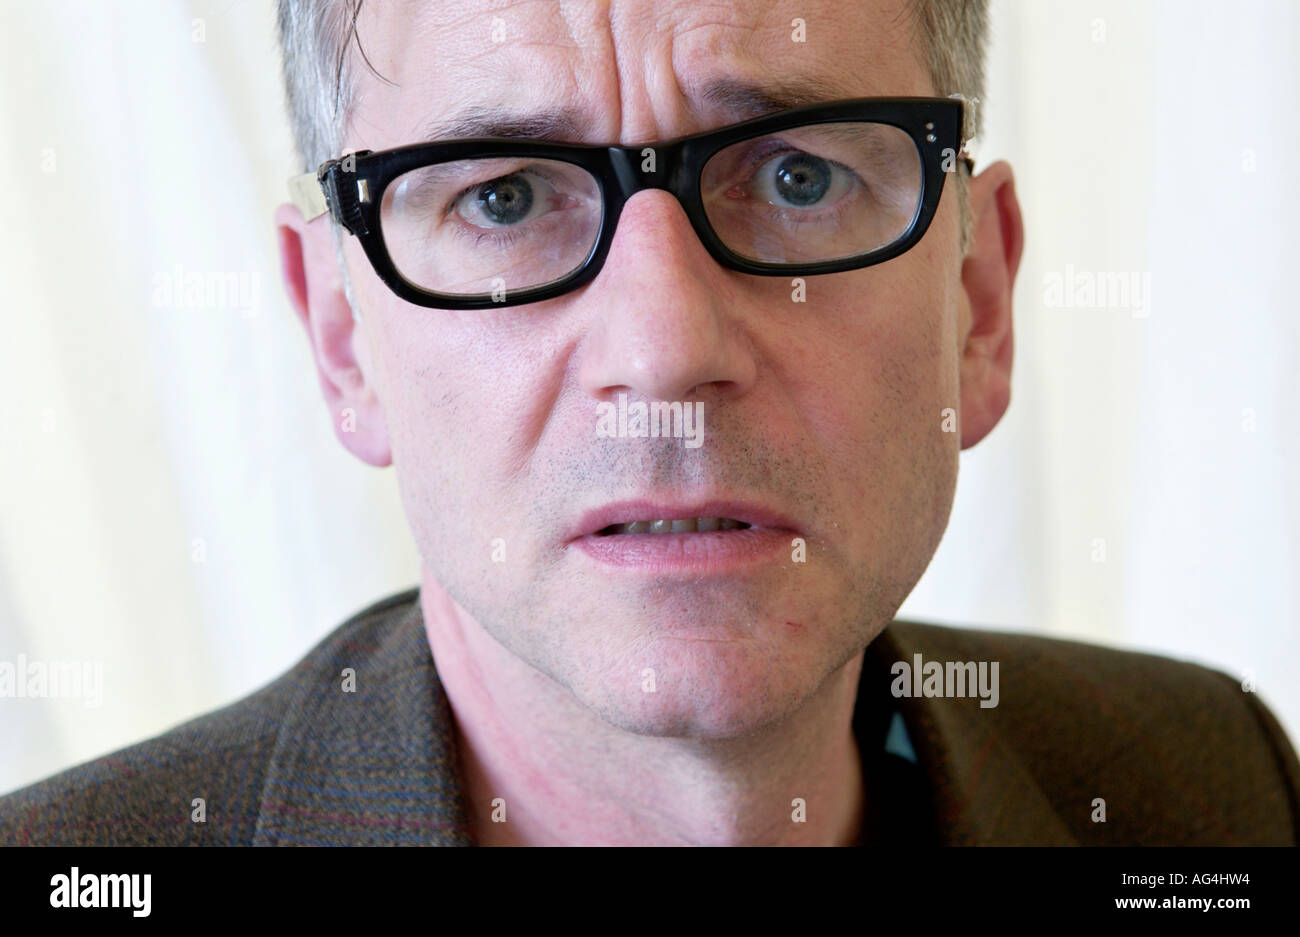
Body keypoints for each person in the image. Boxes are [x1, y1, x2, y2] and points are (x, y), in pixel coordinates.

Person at [1, 0, 1295, 846]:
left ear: (979, 303)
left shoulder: (1215, 793)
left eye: (799, 176)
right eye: (506, 197)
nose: (664, 348)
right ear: (344, 340)